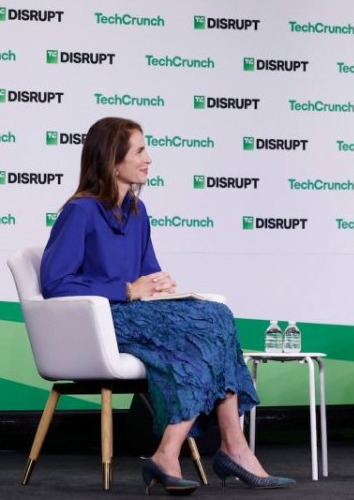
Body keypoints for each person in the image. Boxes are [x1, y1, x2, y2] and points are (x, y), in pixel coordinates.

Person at [40, 117, 294, 495]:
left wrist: (159, 284)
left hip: (139, 314)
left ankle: (193, 451)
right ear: (113, 161)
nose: (149, 158)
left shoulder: (137, 213)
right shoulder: (80, 212)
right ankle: (230, 448)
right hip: (104, 323)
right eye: (140, 150)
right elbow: (54, 283)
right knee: (212, 325)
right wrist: (127, 289)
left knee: (215, 319)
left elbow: (147, 274)